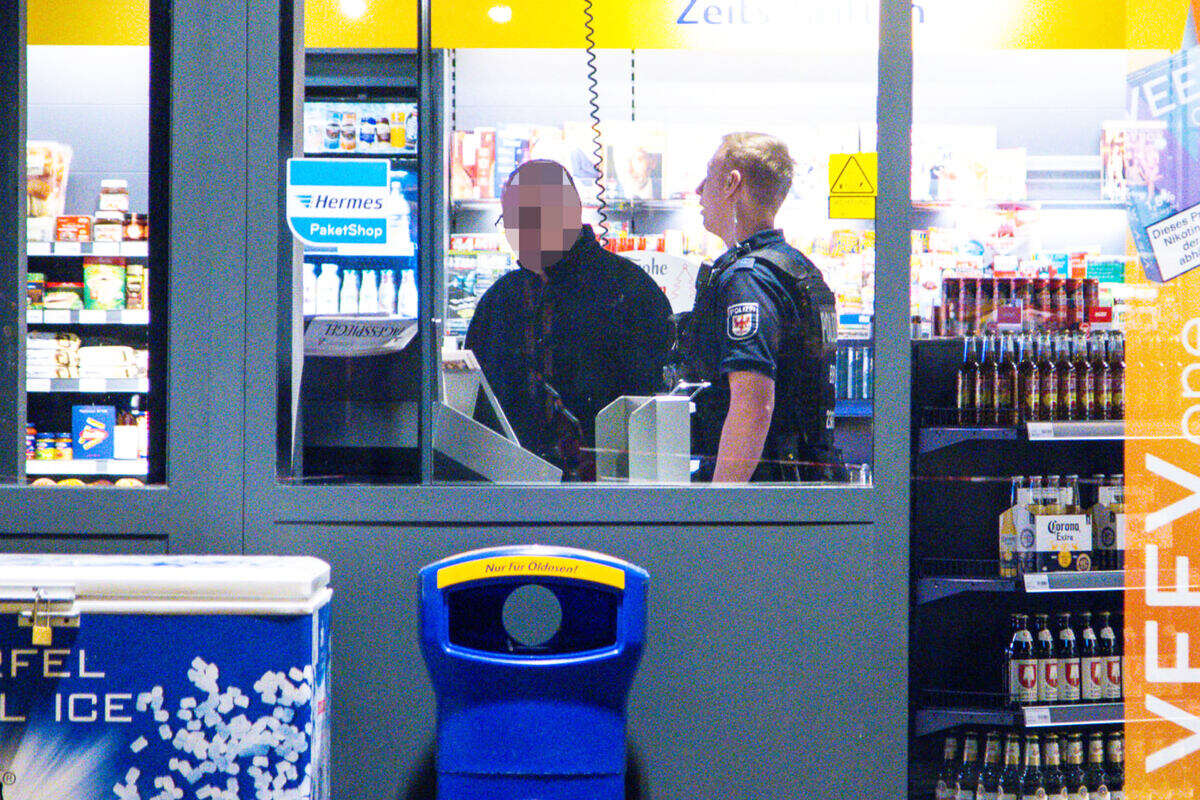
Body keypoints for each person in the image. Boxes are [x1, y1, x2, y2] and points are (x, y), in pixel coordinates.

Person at [464, 159, 673, 480]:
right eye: (514, 220)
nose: (520, 232)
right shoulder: (500, 301)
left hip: (612, 496)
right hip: (511, 492)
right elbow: (473, 408)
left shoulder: (630, 293)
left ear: (572, 213)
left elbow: (653, 413)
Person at [680, 132, 848, 482]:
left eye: (708, 176)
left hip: (763, 495)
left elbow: (751, 406)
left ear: (731, 183)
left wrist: (716, 512)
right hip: (801, 485)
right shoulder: (796, 269)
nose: (698, 189)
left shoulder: (748, 280)